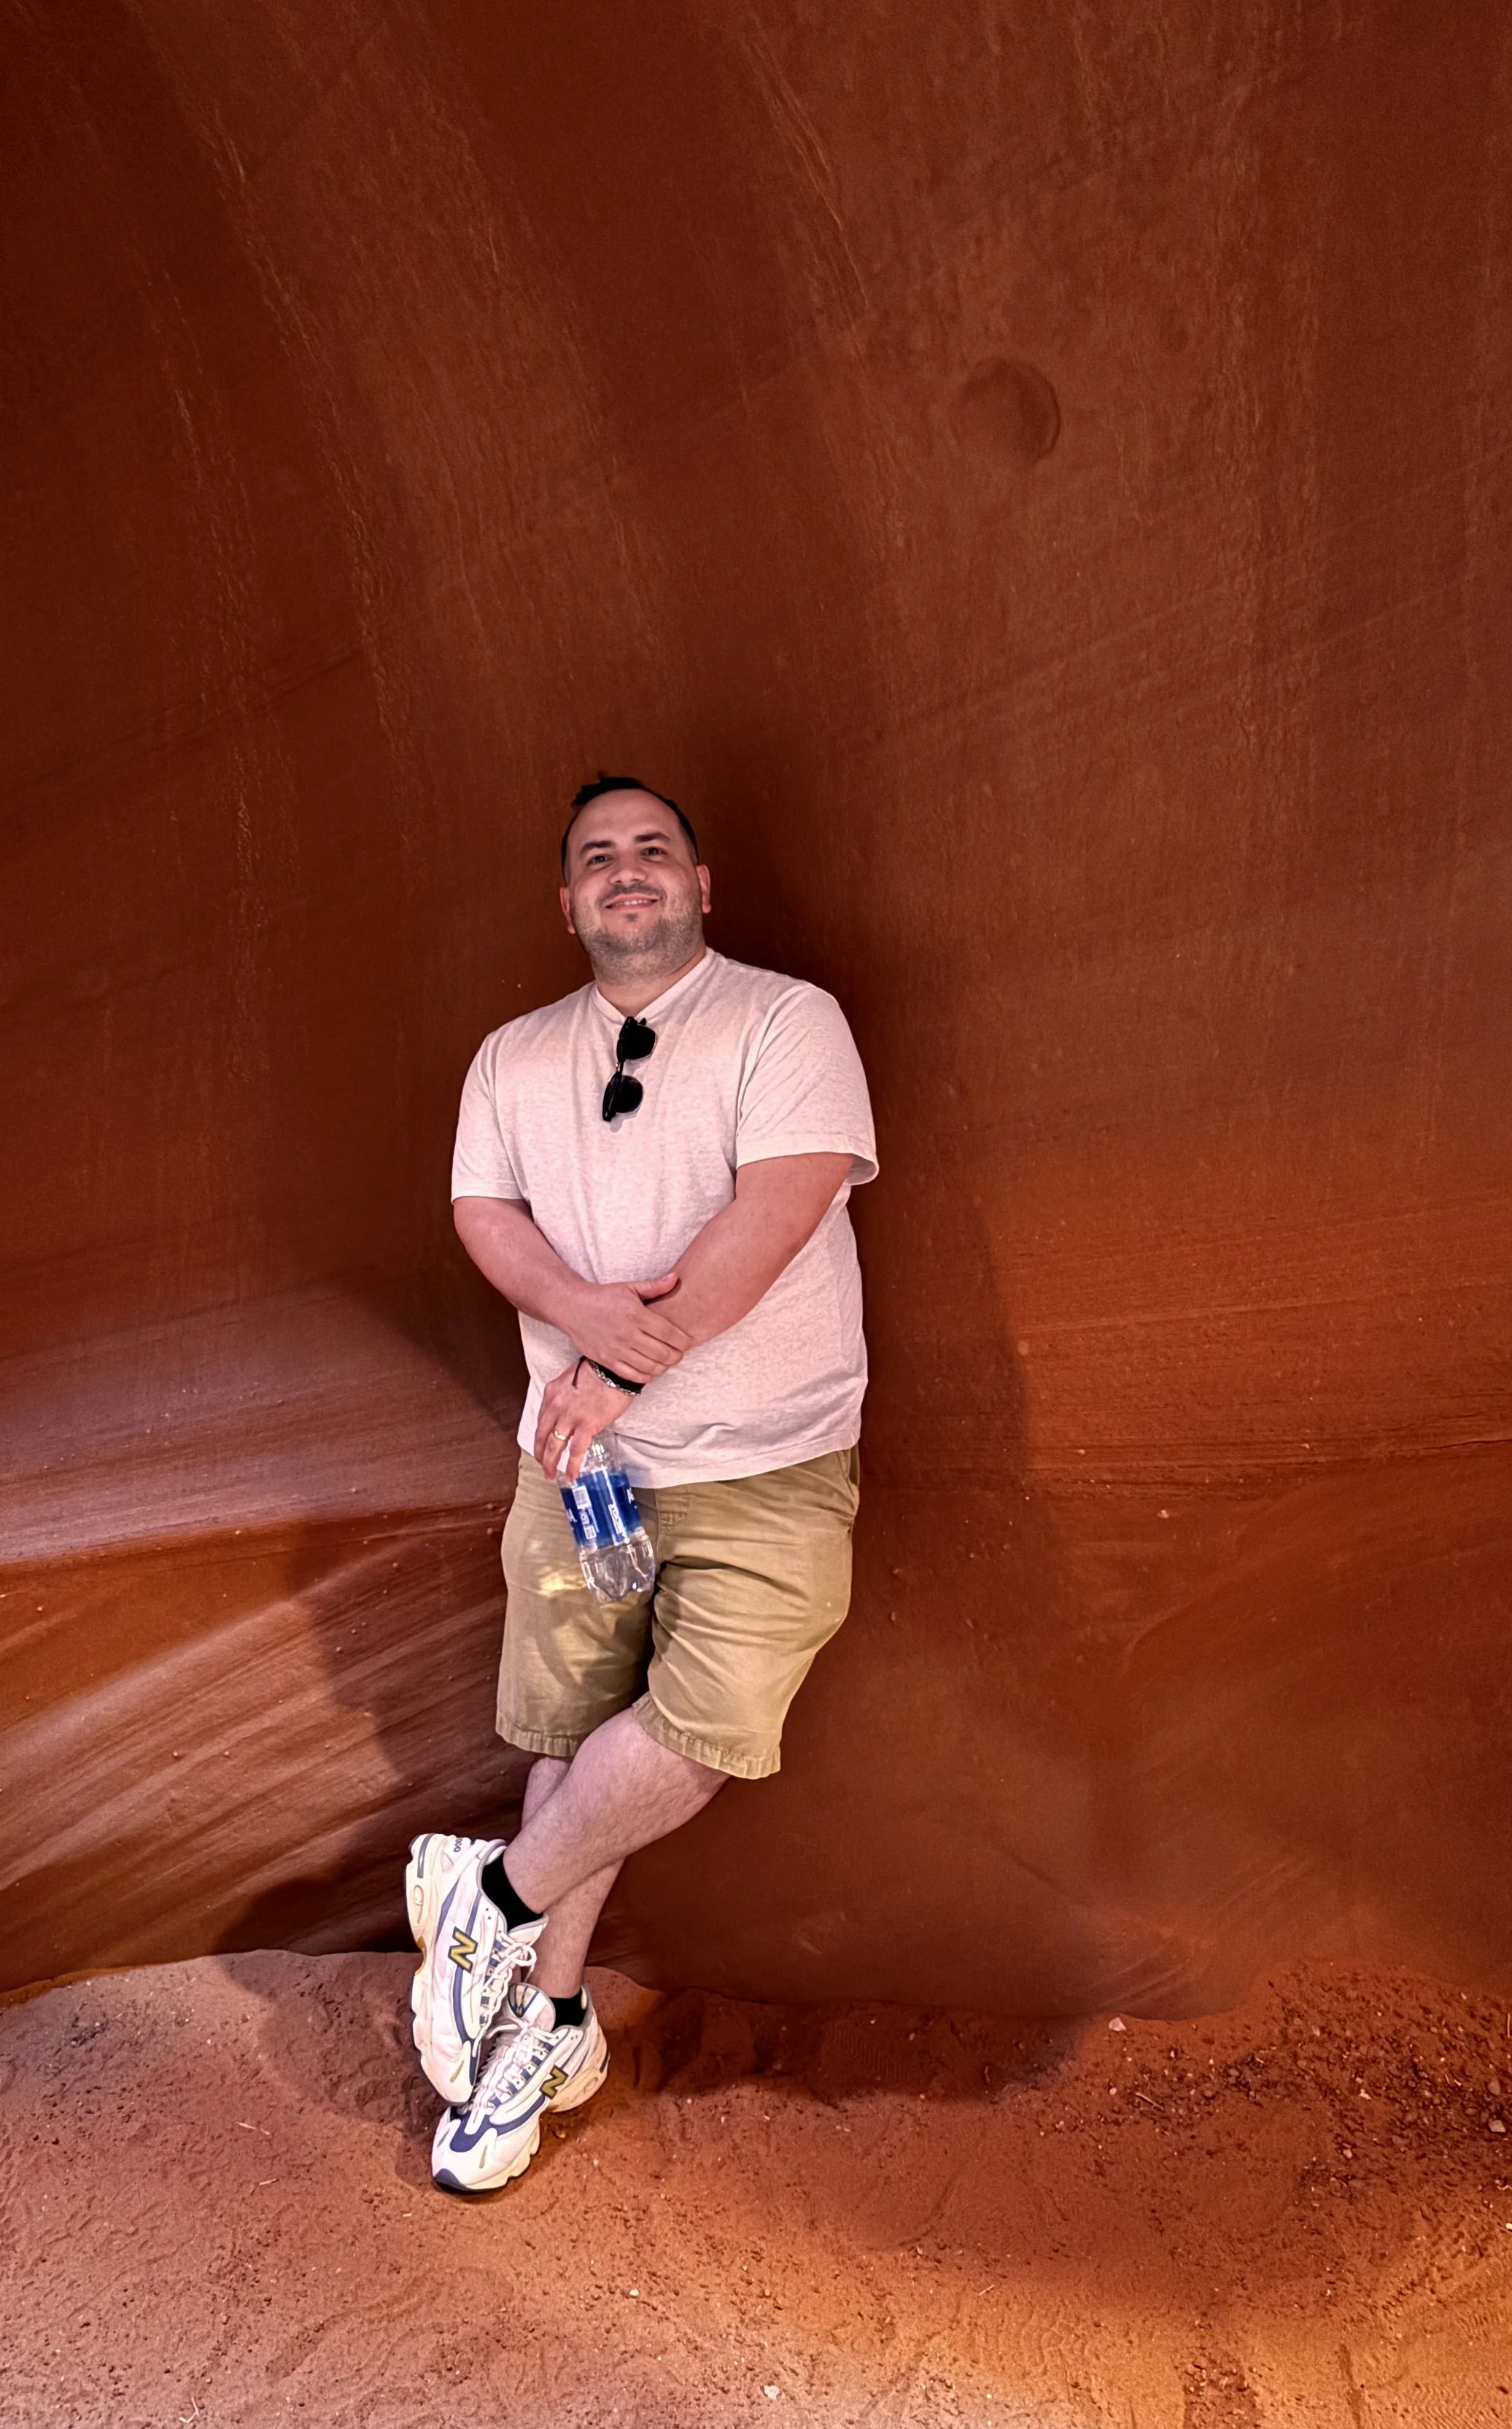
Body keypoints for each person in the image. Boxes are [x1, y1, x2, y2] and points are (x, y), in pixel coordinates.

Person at [406, 775, 877, 2193]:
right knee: (569, 1721)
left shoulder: (785, 1021)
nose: (626, 874)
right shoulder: (509, 1057)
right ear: (564, 901)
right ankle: (540, 2019)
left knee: (707, 1720)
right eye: (597, 859)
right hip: (581, 1474)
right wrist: (579, 1323)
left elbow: (775, 1210)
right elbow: (481, 1210)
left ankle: (487, 1897)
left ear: (700, 882)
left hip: (766, 1458)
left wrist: (623, 1359)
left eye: (651, 852)